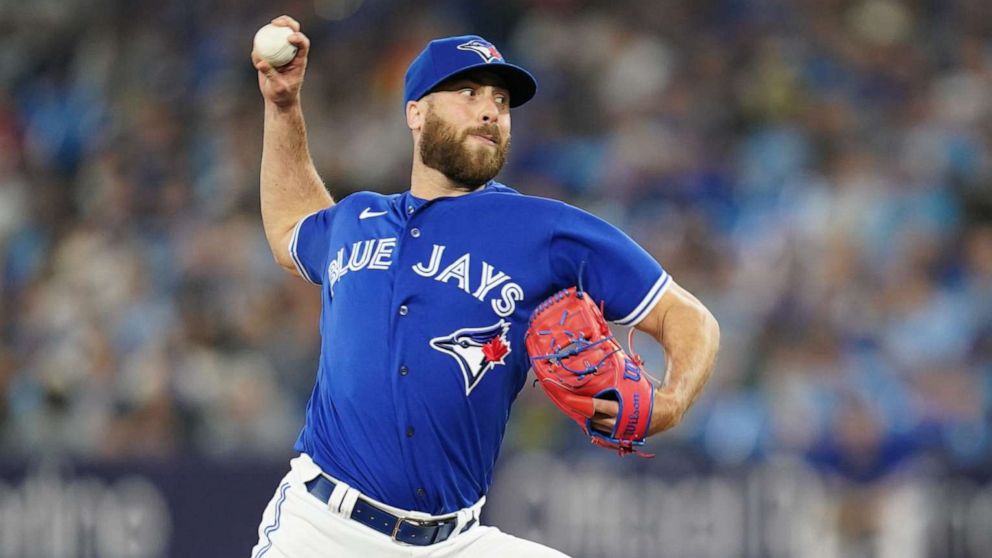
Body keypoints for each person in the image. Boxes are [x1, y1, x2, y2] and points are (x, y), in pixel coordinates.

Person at [248, 15, 720, 558]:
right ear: (416, 113)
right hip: (322, 531)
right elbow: (289, 230)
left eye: (500, 99)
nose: (490, 109)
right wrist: (283, 106)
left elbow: (690, 319)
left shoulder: (544, 229)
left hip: (457, 542)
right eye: (467, 92)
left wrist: (673, 402)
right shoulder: (357, 219)